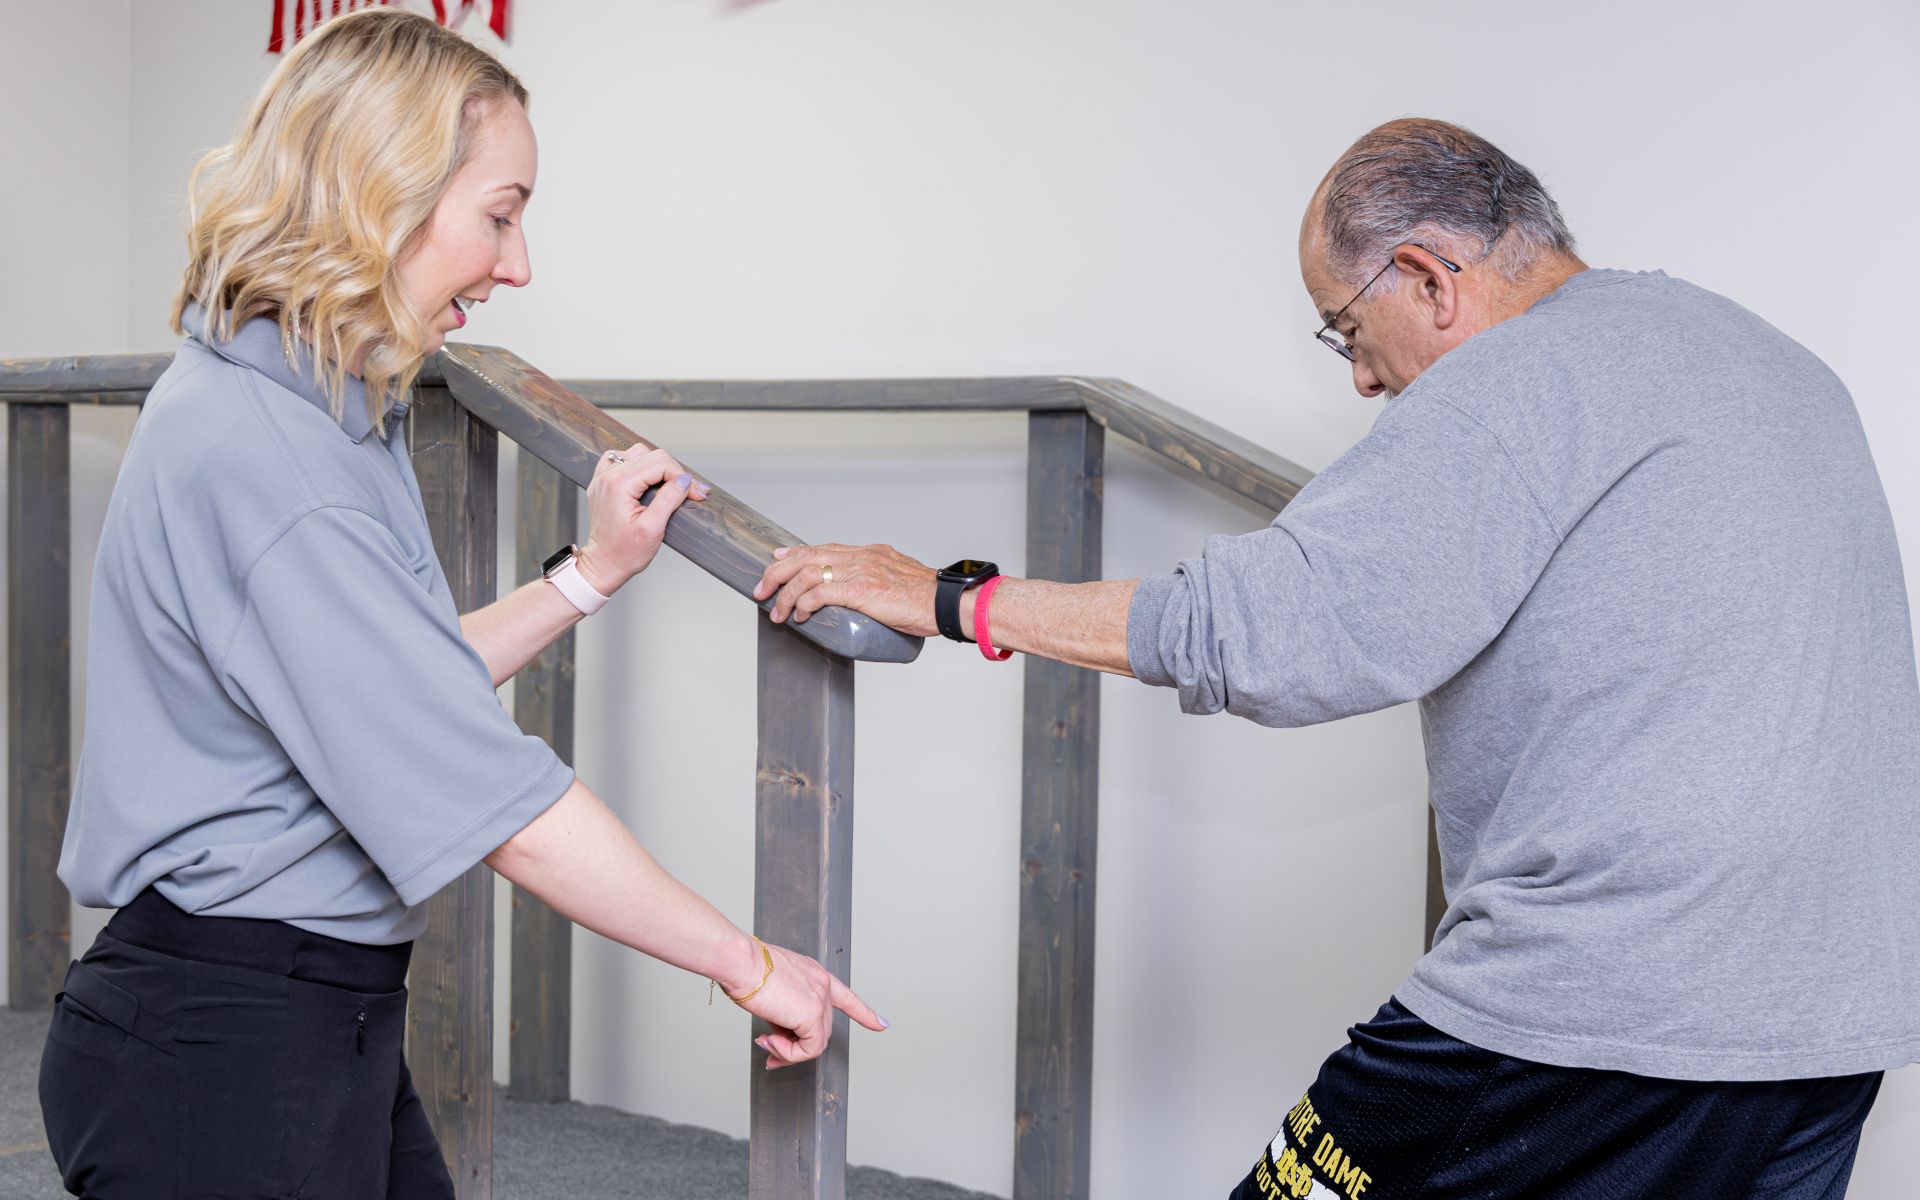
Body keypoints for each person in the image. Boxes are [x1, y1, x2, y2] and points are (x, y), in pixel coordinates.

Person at [754, 118, 1920, 1199]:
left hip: (1601, 999)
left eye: (1349, 330)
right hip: (1833, 1020)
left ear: (1425, 276)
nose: (1360, 380)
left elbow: (1271, 634)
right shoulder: (1763, 357)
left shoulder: (1514, 382)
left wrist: (959, 600)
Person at [39, 11, 883, 1199]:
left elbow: (395, 683)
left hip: (301, 1019)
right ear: (378, 192)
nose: (519, 263)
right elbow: (504, 807)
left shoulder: (318, 405)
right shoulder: (271, 461)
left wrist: (589, 574)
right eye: (501, 212)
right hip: (218, 1038)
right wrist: (749, 966)